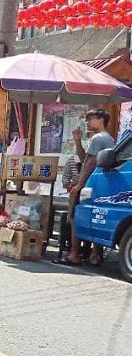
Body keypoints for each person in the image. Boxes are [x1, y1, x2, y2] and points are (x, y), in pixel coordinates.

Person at [58, 108, 115, 266]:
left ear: (100, 119)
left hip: (90, 184)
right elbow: (85, 159)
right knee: (96, 217)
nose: (88, 122)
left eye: (91, 119)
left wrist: (80, 184)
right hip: (99, 184)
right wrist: (77, 140)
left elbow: (90, 162)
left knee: (74, 217)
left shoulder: (98, 138)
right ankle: (95, 255)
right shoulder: (108, 138)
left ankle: (74, 254)